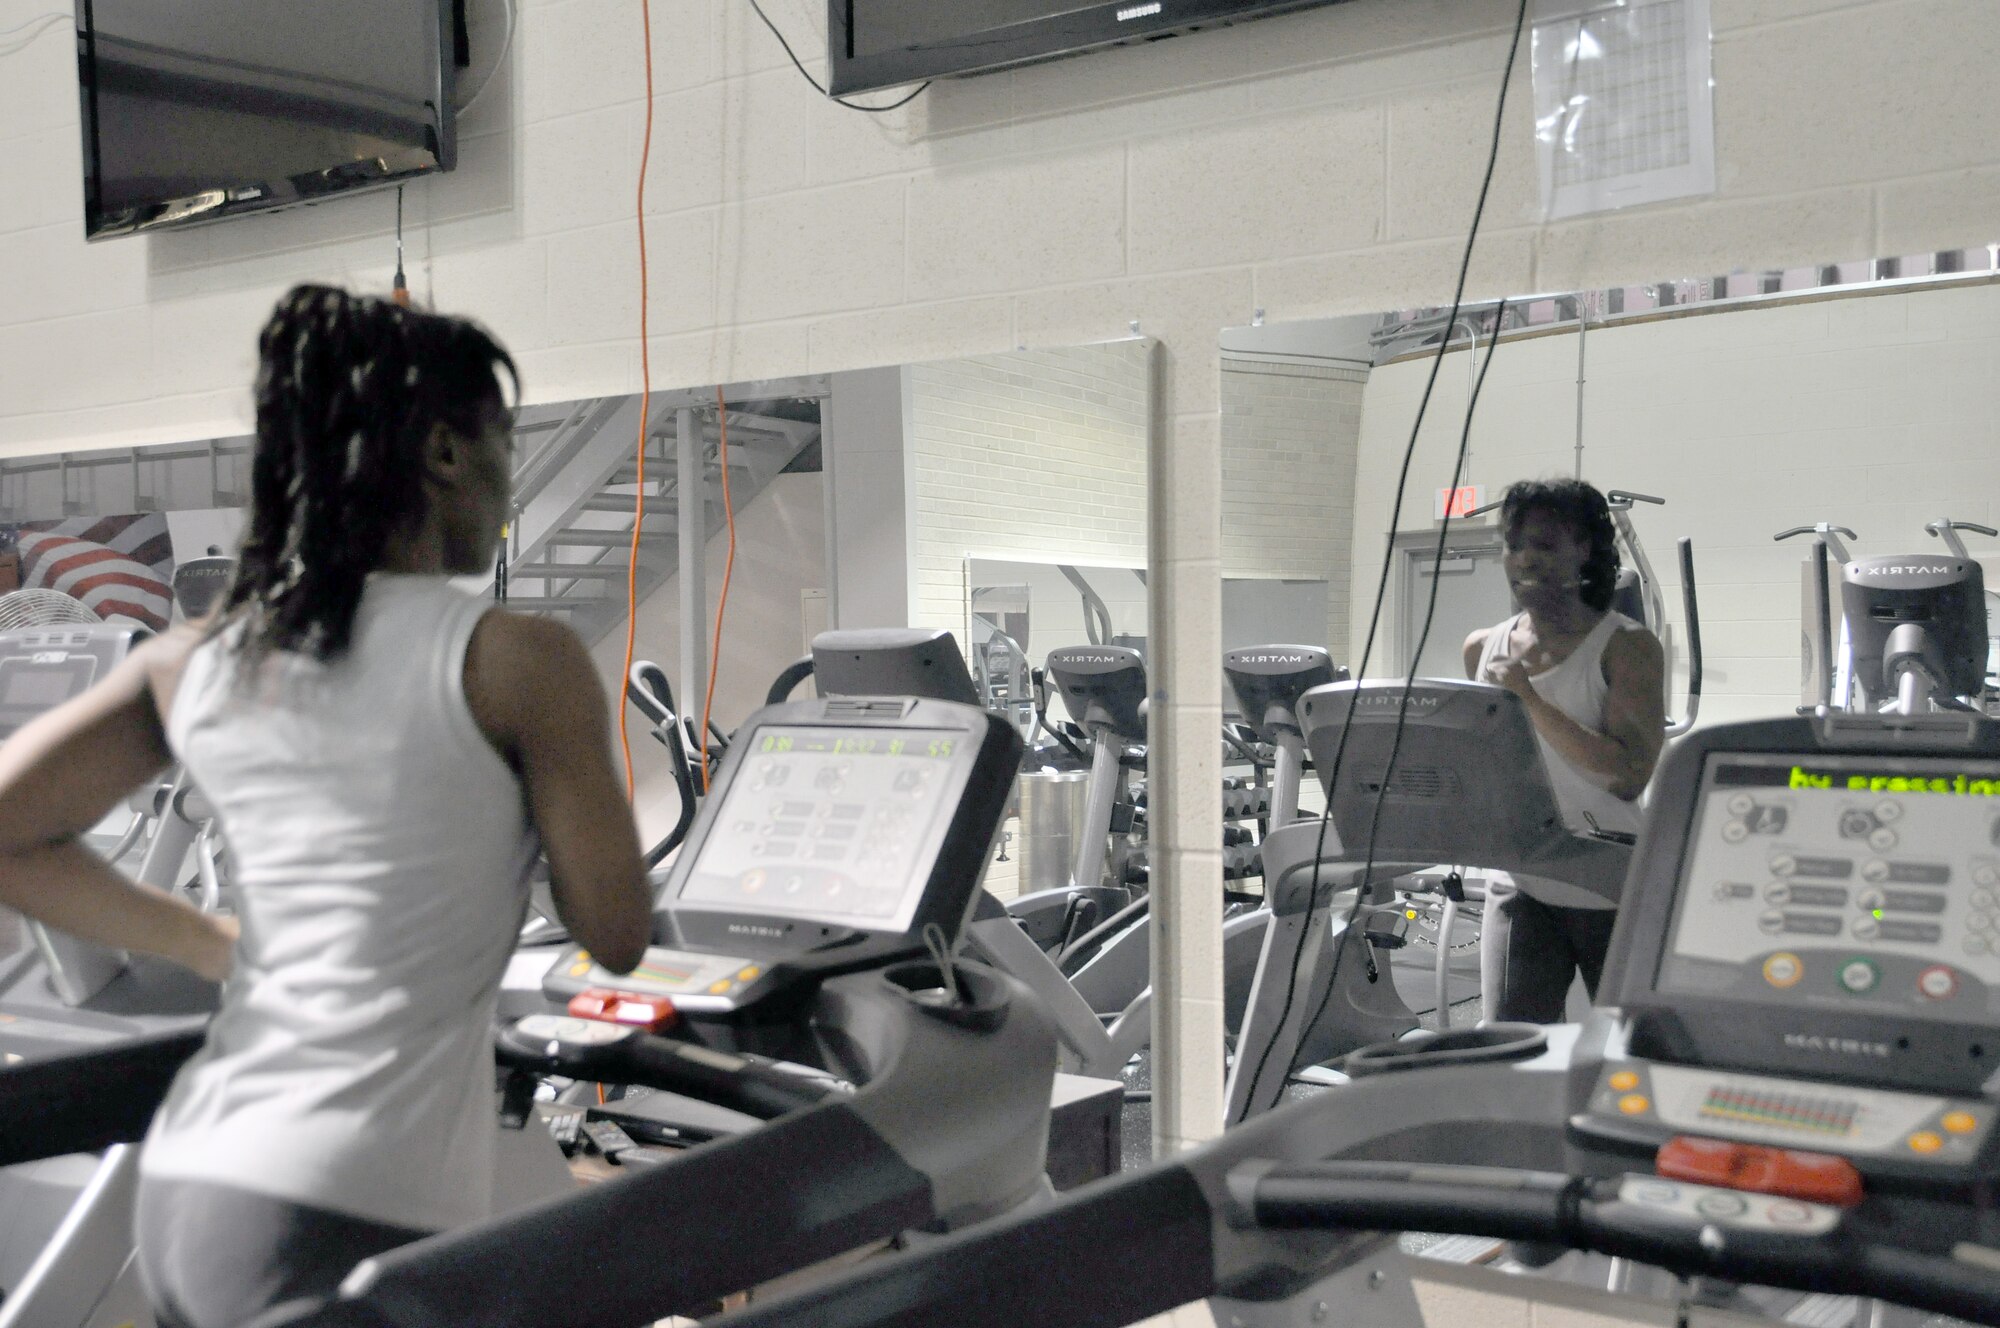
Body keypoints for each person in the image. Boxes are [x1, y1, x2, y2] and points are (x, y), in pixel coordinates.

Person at [0, 284, 653, 1328]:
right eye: (501, 441)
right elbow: (616, 932)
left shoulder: (200, 655)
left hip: (190, 1189)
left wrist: (212, 941)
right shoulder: (519, 660)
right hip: (340, 1209)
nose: (504, 476)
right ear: (443, 452)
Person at [1463, 478, 1665, 1024]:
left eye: (1546, 544)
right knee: (1510, 1046)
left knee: (1629, 1052)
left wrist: (1528, 698)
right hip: (1522, 877)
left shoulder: (1627, 648)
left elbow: (1627, 777)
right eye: (1514, 544)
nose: (1525, 558)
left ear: (1585, 550)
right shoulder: (1483, 648)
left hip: (1609, 883)